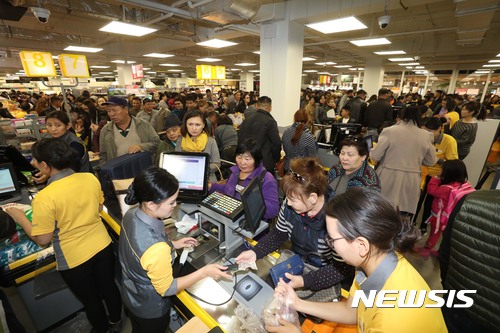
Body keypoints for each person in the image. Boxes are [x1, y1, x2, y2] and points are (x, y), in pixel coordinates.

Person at [267, 187, 447, 333]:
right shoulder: (376, 261)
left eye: (332, 239)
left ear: (361, 245)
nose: (330, 245)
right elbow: (352, 311)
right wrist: (298, 303)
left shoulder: (392, 321)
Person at [5, 139, 122, 333]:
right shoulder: (89, 178)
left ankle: (101, 329)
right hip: (103, 245)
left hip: (74, 258)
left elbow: (43, 239)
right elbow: (99, 207)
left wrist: (18, 217)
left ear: (45, 165)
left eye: (35, 160)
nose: (32, 163)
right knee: (109, 286)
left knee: (91, 299)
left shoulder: (45, 198)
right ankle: (116, 322)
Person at [119, 167, 231, 333]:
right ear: (151, 204)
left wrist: (173, 244)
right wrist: (204, 272)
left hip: (132, 293)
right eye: (171, 202)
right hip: (150, 309)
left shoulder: (132, 213)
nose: (175, 205)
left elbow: (142, 247)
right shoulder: (156, 249)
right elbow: (167, 288)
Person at [237, 157, 354, 293]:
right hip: (297, 263)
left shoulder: (336, 219)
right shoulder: (291, 202)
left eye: (293, 199)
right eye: (288, 197)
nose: (288, 203)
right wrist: (255, 252)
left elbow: (341, 268)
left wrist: (305, 281)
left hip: (322, 274)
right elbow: (279, 234)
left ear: (313, 198)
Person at [370, 106, 437, 217]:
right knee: (403, 215)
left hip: (388, 175)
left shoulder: (389, 131)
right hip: (411, 179)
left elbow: (376, 156)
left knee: (380, 211)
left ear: (401, 116)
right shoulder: (426, 135)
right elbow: (431, 161)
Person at [209, 138, 280, 220]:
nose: (242, 163)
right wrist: (211, 186)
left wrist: (252, 199)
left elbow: (273, 210)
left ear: (256, 159)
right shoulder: (235, 172)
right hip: (229, 218)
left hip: (247, 224)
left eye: (247, 159)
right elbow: (229, 189)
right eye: (239, 157)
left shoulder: (266, 179)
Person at [416, 159, 472, 258]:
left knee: (434, 234)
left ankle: (426, 250)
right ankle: (442, 252)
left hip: (439, 217)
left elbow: (431, 190)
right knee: (446, 236)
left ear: (449, 174)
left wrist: (436, 178)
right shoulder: (463, 184)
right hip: (451, 217)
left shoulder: (446, 189)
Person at [415, 117, 458, 232]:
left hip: (436, 178)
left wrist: (435, 159)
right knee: (417, 199)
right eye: (425, 130)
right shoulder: (422, 138)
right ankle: (412, 222)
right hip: (421, 173)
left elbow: (452, 164)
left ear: (439, 129)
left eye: (430, 131)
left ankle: (423, 227)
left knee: (429, 203)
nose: (427, 134)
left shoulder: (449, 141)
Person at [99, 96, 160, 163]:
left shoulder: (143, 125)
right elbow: (103, 155)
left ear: (126, 109)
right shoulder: (105, 130)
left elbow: (157, 143)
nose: (111, 114)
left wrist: (142, 147)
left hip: (142, 169)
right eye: (108, 111)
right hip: (118, 171)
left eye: (114, 110)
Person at [238, 96, 281, 172]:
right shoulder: (270, 121)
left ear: (257, 106)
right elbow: (276, 143)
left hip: (246, 161)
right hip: (263, 163)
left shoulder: (247, 120)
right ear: (270, 107)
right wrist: (276, 159)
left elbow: (239, 139)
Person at [175, 109, 220, 175]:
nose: (194, 128)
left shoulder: (210, 141)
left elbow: (217, 164)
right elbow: (176, 161)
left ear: (203, 125)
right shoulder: (180, 140)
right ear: (185, 125)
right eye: (190, 124)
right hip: (185, 176)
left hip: (207, 178)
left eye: (198, 125)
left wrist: (200, 167)